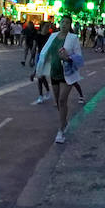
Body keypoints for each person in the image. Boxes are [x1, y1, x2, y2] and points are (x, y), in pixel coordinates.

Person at [34, 15, 82, 144]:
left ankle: (60, 130)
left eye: (67, 22)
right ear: (59, 23)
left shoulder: (73, 38)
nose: (64, 24)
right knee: (58, 101)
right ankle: (64, 121)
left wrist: (68, 58)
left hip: (67, 73)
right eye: (62, 22)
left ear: (70, 25)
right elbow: (44, 54)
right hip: (54, 72)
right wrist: (37, 70)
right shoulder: (53, 36)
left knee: (62, 100)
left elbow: (79, 58)